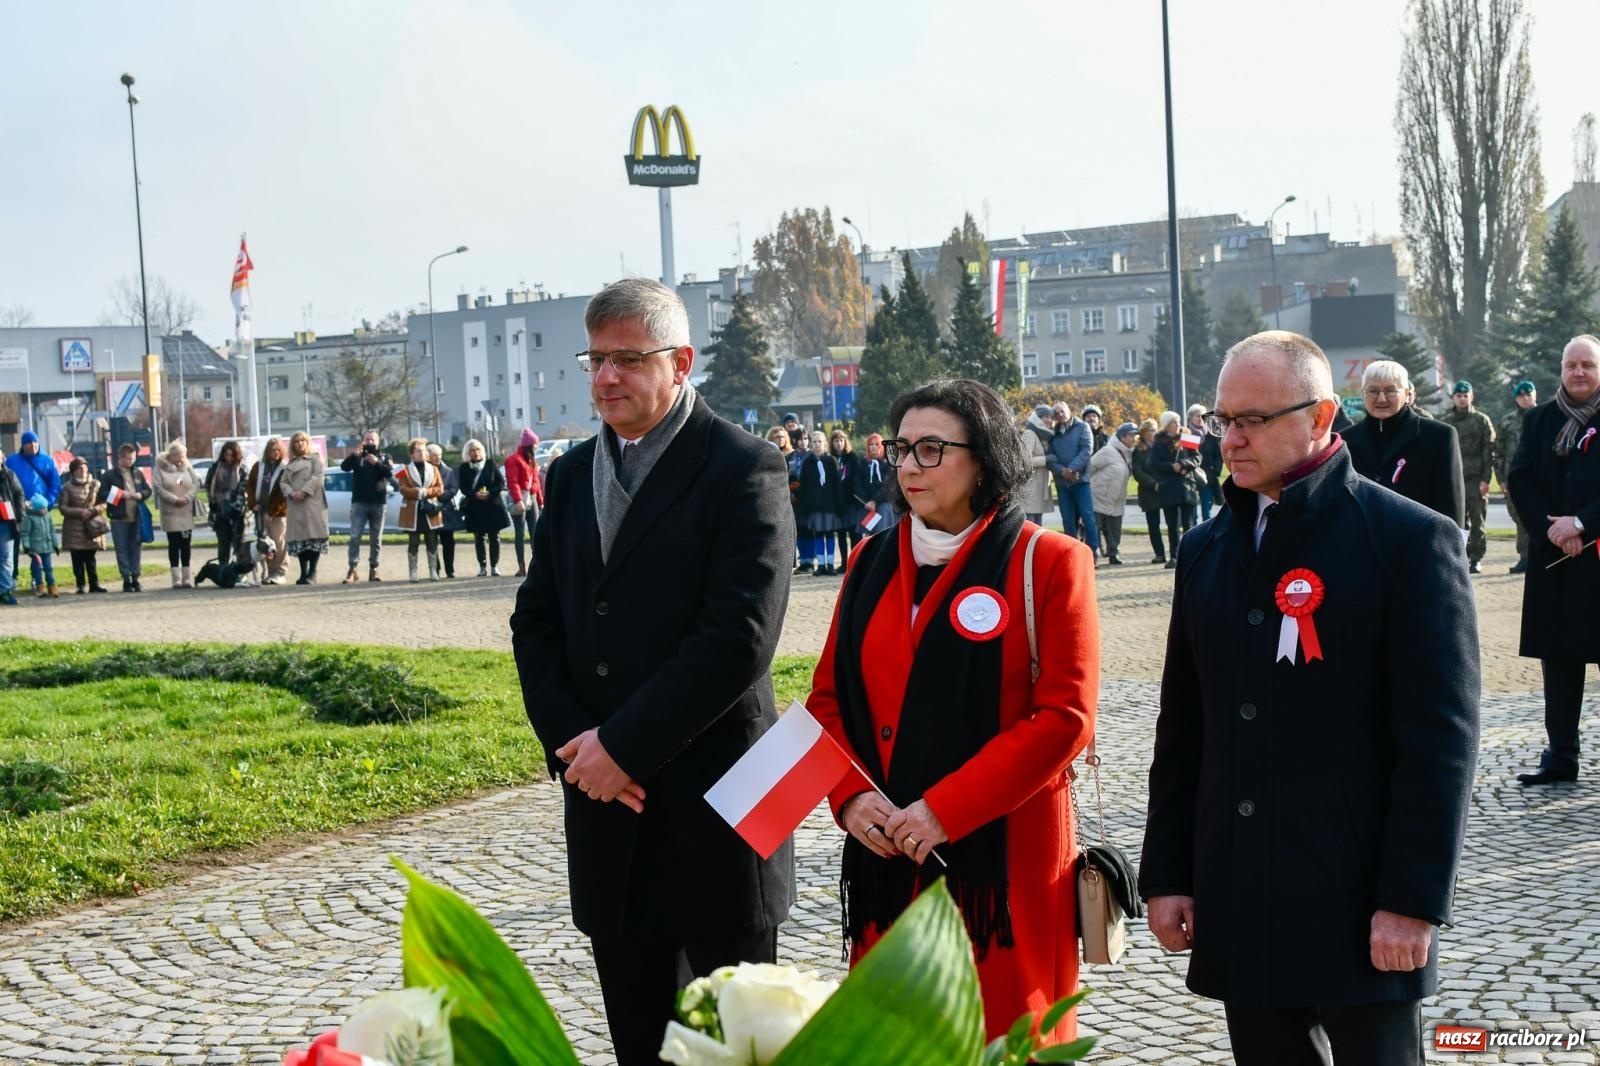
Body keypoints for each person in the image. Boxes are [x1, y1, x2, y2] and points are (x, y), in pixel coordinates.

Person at [1141, 330, 1479, 1066]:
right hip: (1240, 892)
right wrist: (1167, 873)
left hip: (1358, 901)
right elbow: (1184, 727)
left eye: (1253, 420)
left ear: (1323, 416)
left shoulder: (1410, 540)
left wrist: (1413, 901)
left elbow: (1439, 741)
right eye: (1222, 419)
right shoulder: (1204, 549)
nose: (1229, 439)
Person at [509, 277, 796, 1065]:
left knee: (739, 1047)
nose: (606, 377)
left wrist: (622, 748)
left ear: (680, 362)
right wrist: (575, 743)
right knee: (641, 1044)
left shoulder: (744, 466)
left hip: (719, 816)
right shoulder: (569, 476)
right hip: (609, 812)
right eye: (595, 359)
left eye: (628, 359)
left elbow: (738, 638)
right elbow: (537, 621)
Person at [807, 378, 1097, 1045]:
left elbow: (1065, 716)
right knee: (898, 1042)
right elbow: (828, 701)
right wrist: (850, 798)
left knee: (1003, 1035)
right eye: (901, 449)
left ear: (986, 458)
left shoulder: (1049, 561)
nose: (909, 466)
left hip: (1003, 868)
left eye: (932, 449)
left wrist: (946, 809)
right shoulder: (868, 560)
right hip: (889, 856)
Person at [1509, 335, 1600, 786]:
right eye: (1571, 365)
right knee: (1560, 666)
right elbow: (1519, 476)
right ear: (1561, 370)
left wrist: (1582, 523)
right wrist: (1551, 529)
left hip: (1597, 558)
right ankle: (1561, 756)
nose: (1579, 373)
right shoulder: (1540, 419)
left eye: (1588, 365)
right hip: (1554, 562)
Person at [1343, 360, 1466, 529]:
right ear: (1363, 393)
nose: (1381, 398)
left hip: (1419, 545)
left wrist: (1452, 550)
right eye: (1373, 391)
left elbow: (1451, 504)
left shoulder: (1438, 436)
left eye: (1390, 390)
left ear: (1407, 394)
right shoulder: (1345, 441)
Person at [1440, 381, 1496, 574]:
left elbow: (1489, 451)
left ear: (1471, 397)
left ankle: (1477, 559)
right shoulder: (1447, 421)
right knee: (1457, 521)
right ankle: (1460, 557)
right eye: (1459, 395)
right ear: (1453, 398)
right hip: (1455, 479)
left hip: (1475, 478)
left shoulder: (1481, 420)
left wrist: (1485, 479)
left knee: (1477, 521)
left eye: (1466, 395)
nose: (1462, 398)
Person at [339, 429, 393, 583]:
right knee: (355, 536)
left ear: (378, 442)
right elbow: (344, 467)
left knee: (376, 539)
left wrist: (377, 463)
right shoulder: (358, 455)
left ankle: (373, 569)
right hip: (359, 503)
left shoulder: (385, 456)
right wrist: (354, 456)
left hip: (378, 503)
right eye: (367, 439)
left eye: (372, 440)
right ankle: (352, 569)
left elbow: (389, 473)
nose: (369, 442)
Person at [1149, 411, 1200, 569]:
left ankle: (1191, 555)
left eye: (1178, 422)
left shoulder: (1187, 437)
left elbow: (1197, 458)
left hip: (1186, 486)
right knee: (1172, 524)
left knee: (1188, 523)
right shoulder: (1158, 442)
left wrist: (1184, 464)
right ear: (1166, 425)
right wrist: (1171, 467)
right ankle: (1174, 556)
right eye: (1173, 422)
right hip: (1168, 487)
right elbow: (1155, 464)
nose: (1177, 425)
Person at [1496, 380, 1538, 573]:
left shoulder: (1545, 417)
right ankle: (1524, 556)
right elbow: (1499, 452)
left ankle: (1538, 556)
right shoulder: (1507, 422)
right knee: (1519, 516)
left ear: (1534, 395)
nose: (1525, 398)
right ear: (1516, 398)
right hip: (1514, 478)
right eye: (1521, 396)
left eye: (1529, 394)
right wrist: (1501, 478)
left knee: (1540, 516)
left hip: (1539, 477)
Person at [99, 442, 152, 592]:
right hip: (118, 518)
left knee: (135, 547)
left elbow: (148, 490)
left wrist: (141, 494)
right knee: (121, 549)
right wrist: (119, 495)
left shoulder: (137, 473)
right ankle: (126, 578)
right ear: (120, 458)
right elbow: (101, 495)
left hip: (136, 516)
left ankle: (136, 577)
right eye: (128, 459)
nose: (131, 462)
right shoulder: (109, 475)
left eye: (133, 458)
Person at [1047, 403, 1099, 553]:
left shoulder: (1083, 427)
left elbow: (1086, 451)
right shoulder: (1053, 433)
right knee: (1068, 520)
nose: (1060, 414)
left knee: (1088, 518)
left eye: (1062, 411)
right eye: (1056, 413)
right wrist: (1063, 471)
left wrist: (1071, 469)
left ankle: (1092, 552)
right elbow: (1050, 458)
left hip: (1080, 480)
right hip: (1063, 484)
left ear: (1069, 411)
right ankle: (1072, 553)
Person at [796, 430, 846, 576]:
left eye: (819, 442)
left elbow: (837, 484)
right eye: (814, 442)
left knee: (829, 534)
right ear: (811, 444)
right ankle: (821, 564)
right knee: (818, 534)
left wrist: (839, 505)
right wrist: (805, 504)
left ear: (824, 444)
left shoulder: (831, 461)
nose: (817, 444)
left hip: (829, 505)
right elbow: (803, 485)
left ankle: (830, 564)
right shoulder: (807, 462)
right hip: (814, 506)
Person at [283, 430, 329, 585]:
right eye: (296, 441)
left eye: (302, 440)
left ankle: (312, 572)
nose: (300, 443)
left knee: (313, 537)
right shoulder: (290, 463)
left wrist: (304, 492)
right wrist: (291, 493)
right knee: (300, 540)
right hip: (295, 505)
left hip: (312, 504)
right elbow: (283, 482)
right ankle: (303, 572)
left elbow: (317, 477)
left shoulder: (315, 459)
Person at [152, 440, 201, 589]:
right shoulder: (160, 469)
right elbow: (158, 487)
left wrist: (187, 497)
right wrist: (174, 499)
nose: (182, 459)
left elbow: (196, 483)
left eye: (184, 456)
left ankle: (186, 578)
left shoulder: (187, 467)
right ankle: (176, 578)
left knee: (185, 545)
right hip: (170, 512)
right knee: (174, 545)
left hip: (185, 511)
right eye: (179, 456)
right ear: (171, 456)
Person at [459, 438, 510, 576]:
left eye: (477, 450)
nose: (475, 453)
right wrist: (475, 494)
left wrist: (490, 492)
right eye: (472, 451)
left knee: (495, 537)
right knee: (479, 538)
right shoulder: (464, 468)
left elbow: (500, 482)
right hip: (475, 506)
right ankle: (482, 566)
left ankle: (494, 565)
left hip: (492, 504)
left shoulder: (490, 464)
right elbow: (463, 487)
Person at [395, 437, 444, 582]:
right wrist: (417, 492)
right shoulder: (405, 470)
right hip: (412, 511)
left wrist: (426, 492)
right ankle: (413, 572)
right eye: (418, 451)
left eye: (423, 451)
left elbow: (440, 488)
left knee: (432, 541)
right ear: (411, 454)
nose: (421, 453)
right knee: (414, 542)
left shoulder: (434, 469)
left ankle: (433, 571)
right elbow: (402, 488)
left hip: (429, 510)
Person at [57, 457, 108, 594]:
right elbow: (63, 508)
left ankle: (94, 584)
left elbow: (104, 503)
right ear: (74, 471)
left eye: (85, 467)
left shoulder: (95, 484)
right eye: (80, 468)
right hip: (74, 528)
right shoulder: (67, 488)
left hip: (91, 528)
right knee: (77, 559)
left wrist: (93, 511)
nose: (83, 470)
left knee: (91, 559)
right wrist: (80, 512)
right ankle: (80, 585)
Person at [1090, 422, 1137, 565]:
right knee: (1095, 527)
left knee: (1115, 528)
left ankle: (1113, 553)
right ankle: (1093, 554)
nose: (1134, 438)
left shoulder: (1131, 454)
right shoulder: (1108, 451)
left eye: (1135, 435)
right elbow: (1090, 467)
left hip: (1117, 498)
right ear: (1122, 437)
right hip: (1099, 496)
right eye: (1131, 435)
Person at [246, 437, 290, 585]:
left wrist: (272, 513)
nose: (276, 453)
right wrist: (253, 504)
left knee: (278, 542)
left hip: (277, 513)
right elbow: (250, 486)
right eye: (273, 450)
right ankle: (269, 573)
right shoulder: (259, 466)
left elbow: (282, 494)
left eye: (278, 450)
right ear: (267, 451)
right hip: (260, 510)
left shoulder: (283, 468)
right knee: (265, 543)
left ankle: (280, 572)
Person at [205, 441, 251, 579]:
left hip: (238, 514)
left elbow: (244, 490)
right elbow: (208, 486)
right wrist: (214, 502)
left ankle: (239, 573)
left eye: (232, 455)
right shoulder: (215, 468)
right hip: (219, 513)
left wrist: (235, 508)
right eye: (227, 455)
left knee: (239, 545)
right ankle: (224, 572)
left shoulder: (242, 469)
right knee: (223, 544)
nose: (229, 458)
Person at [504, 428, 542, 578]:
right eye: (535, 445)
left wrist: (541, 502)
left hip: (531, 497)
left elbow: (536, 482)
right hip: (520, 499)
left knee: (536, 534)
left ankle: (537, 566)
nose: (537, 447)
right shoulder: (514, 460)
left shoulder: (531, 461)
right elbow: (513, 482)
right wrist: (518, 500)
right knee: (519, 534)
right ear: (530, 445)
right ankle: (521, 566)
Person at [1131, 419, 1164, 563]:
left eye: (1155, 429)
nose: (1153, 433)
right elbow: (1137, 472)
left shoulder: (1161, 446)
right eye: (1150, 430)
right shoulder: (1138, 450)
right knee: (1153, 525)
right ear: (1144, 433)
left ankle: (1175, 552)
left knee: (1173, 523)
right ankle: (1159, 553)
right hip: (1148, 492)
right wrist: (1153, 484)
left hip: (1165, 488)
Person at [427, 443, 462, 579]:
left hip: (446, 510)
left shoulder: (448, 471)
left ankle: (450, 569)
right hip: (430, 509)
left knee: (448, 542)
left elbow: (454, 488)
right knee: (432, 542)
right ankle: (435, 569)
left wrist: (441, 495)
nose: (437, 458)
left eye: (439, 455)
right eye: (434, 456)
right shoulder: (426, 471)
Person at [853, 432, 898, 534]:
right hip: (866, 505)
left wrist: (875, 501)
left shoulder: (888, 465)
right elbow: (857, 485)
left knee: (882, 533)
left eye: (876, 444)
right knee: (869, 536)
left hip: (883, 504)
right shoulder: (861, 463)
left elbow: (889, 485)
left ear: (881, 447)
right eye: (871, 445)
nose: (873, 447)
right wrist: (866, 502)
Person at [830, 429, 864, 557]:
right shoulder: (830, 458)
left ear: (845, 442)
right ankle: (844, 562)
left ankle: (857, 560)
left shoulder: (852, 457)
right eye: (836, 441)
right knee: (841, 533)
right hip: (838, 502)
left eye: (841, 440)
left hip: (852, 501)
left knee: (854, 533)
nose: (838, 443)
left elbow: (856, 479)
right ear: (832, 443)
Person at [5, 430, 61, 508]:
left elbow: (55, 484)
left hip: (41, 508)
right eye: (29, 442)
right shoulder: (11, 461)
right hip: (19, 507)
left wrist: (48, 503)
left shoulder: (47, 460)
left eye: (35, 441)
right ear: (23, 445)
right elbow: (5, 483)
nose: (33, 445)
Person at [1018, 405, 1054, 524]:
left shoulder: (1044, 436)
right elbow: (1023, 460)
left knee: (1038, 526)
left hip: (1039, 489)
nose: (1049, 420)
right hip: (1030, 488)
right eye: (1046, 417)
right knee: (1031, 526)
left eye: (1051, 417)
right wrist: (1046, 459)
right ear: (1037, 418)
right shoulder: (1029, 434)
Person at [1189, 404, 1224, 520]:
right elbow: (1187, 455)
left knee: (1207, 513)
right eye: (1197, 416)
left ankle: (1206, 537)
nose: (1200, 419)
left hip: (1209, 477)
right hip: (1192, 477)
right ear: (1190, 417)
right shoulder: (1187, 434)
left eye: (1203, 416)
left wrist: (1216, 471)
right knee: (1192, 514)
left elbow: (1218, 456)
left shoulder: (1210, 435)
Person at [20, 493, 56, 598]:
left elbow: (52, 531)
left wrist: (55, 544)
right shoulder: (29, 518)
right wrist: (26, 546)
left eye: (45, 507)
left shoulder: (48, 516)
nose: (45, 510)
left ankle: (52, 586)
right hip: (35, 549)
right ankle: (40, 586)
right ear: (36, 508)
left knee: (48, 568)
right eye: (42, 508)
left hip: (47, 547)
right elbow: (25, 533)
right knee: (37, 568)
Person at [0, 448, 23, 605]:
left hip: (6, 522)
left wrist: (20, 516)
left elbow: (19, 494)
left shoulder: (9, 476)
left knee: (6, 557)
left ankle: (5, 590)